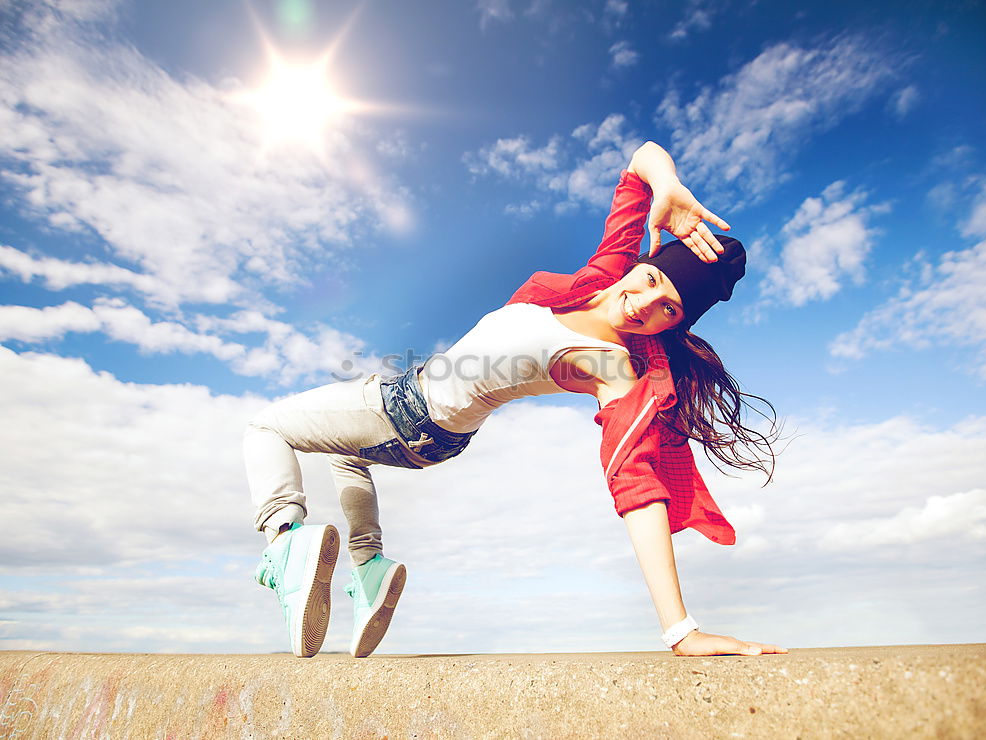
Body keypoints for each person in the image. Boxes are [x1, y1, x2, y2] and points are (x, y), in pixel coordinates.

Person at [244, 140, 786, 659]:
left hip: (408, 414)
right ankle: (368, 568)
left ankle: (284, 544)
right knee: (344, 454)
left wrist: (681, 629)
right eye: (648, 280)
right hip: (417, 417)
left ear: (674, 326)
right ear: (640, 265)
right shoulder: (595, 282)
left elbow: (634, 483)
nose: (642, 303)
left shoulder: (609, 363)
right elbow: (637, 166)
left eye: (668, 309)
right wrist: (666, 183)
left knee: (265, 429)